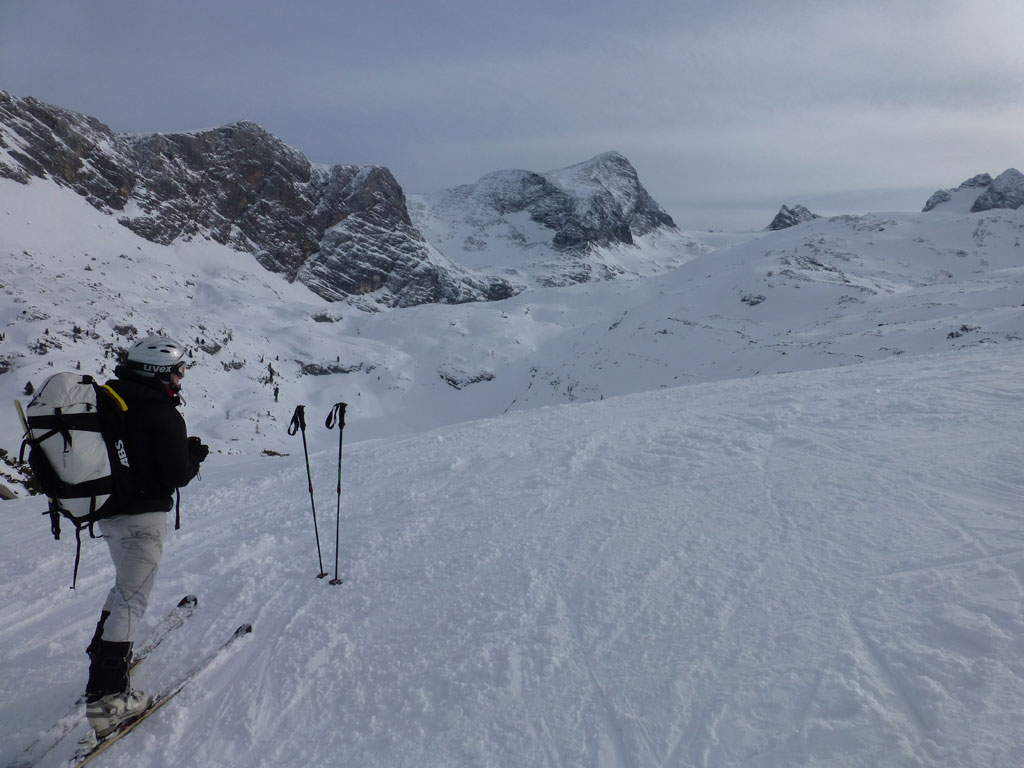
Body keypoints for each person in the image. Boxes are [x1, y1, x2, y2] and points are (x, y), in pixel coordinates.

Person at [83, 336, 209, 737]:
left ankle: (103, 655)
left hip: (109, 515)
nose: (180, 377)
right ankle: (107, 701)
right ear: (158, 372)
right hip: (143, 518)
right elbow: (175, 474)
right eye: (178, 370)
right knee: (132, 599)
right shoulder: (163, 412)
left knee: (125, 588)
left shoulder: (109, 402)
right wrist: (193, 456)